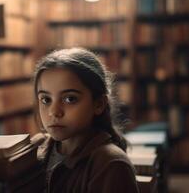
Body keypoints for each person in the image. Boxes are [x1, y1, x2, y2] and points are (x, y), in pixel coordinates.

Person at [32, 48, 139, 193]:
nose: (54, 112)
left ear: (98, 104)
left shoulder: (111, 165)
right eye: (46, 99)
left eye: (70, 99)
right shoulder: (37, 147)